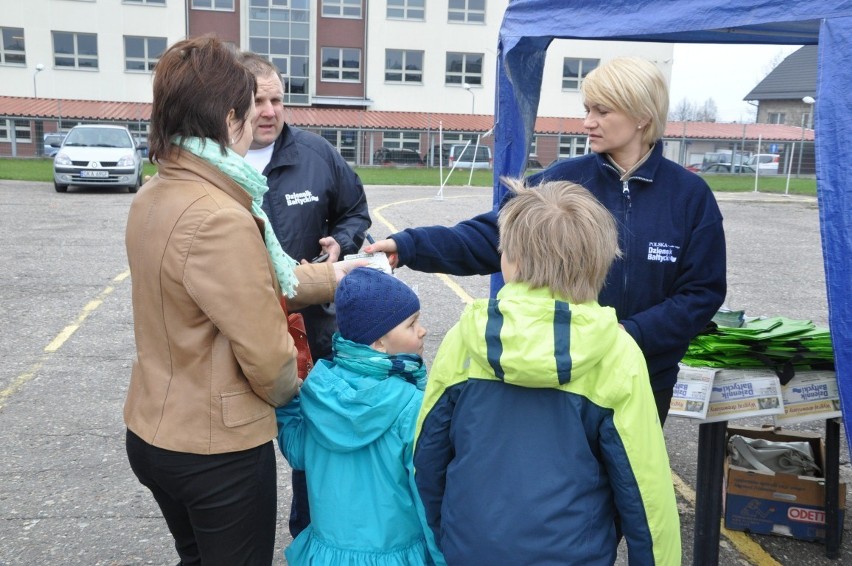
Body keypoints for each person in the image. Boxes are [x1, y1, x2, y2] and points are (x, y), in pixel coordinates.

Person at [366, 56, 726, 425]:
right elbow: (491, 236)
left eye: (602, 111)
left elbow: (702, 293)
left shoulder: (689, 196)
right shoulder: (562, 181)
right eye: (588, 109)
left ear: (642, 116)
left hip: (647, 377)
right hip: (565, 373)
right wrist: (409, 246)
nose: (588, 122)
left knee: (631, 476)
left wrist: (629, 335)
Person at [123, 35, 360, 566]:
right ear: (231, 116)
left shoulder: (156, 192)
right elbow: (269, 357)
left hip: (155, 427)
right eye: (252, 105)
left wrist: (335, 275)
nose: (261, 116)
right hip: (215, 448)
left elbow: (241, 283)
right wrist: (293, 393)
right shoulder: (220, 215)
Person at [414, 178, 681, 565]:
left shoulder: (464, 339)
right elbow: (645, 487)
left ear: (511, 261)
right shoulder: (617, 353)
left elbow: (428, 452)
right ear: (599, 262)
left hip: (469, 548)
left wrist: (441, 538)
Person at [239, 51, 372, 536]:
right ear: (233, 104)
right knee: (248, 448)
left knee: (313, 446)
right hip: (242, 329)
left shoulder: (316, 154)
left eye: (278, 99)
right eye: (259, 101)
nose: (271, 110)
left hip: (314, 333)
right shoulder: (217, 164)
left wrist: (345, 239)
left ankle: (311, 533)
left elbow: (355, 211)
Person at [276, 267, 444, 565]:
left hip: (328, 554)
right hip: (396, 553)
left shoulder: (318, 394)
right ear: (379, 342)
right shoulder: (412, 405)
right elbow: (426, 493)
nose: (423, 330)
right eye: (412, 324)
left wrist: (288, 402)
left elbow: (298, 452)